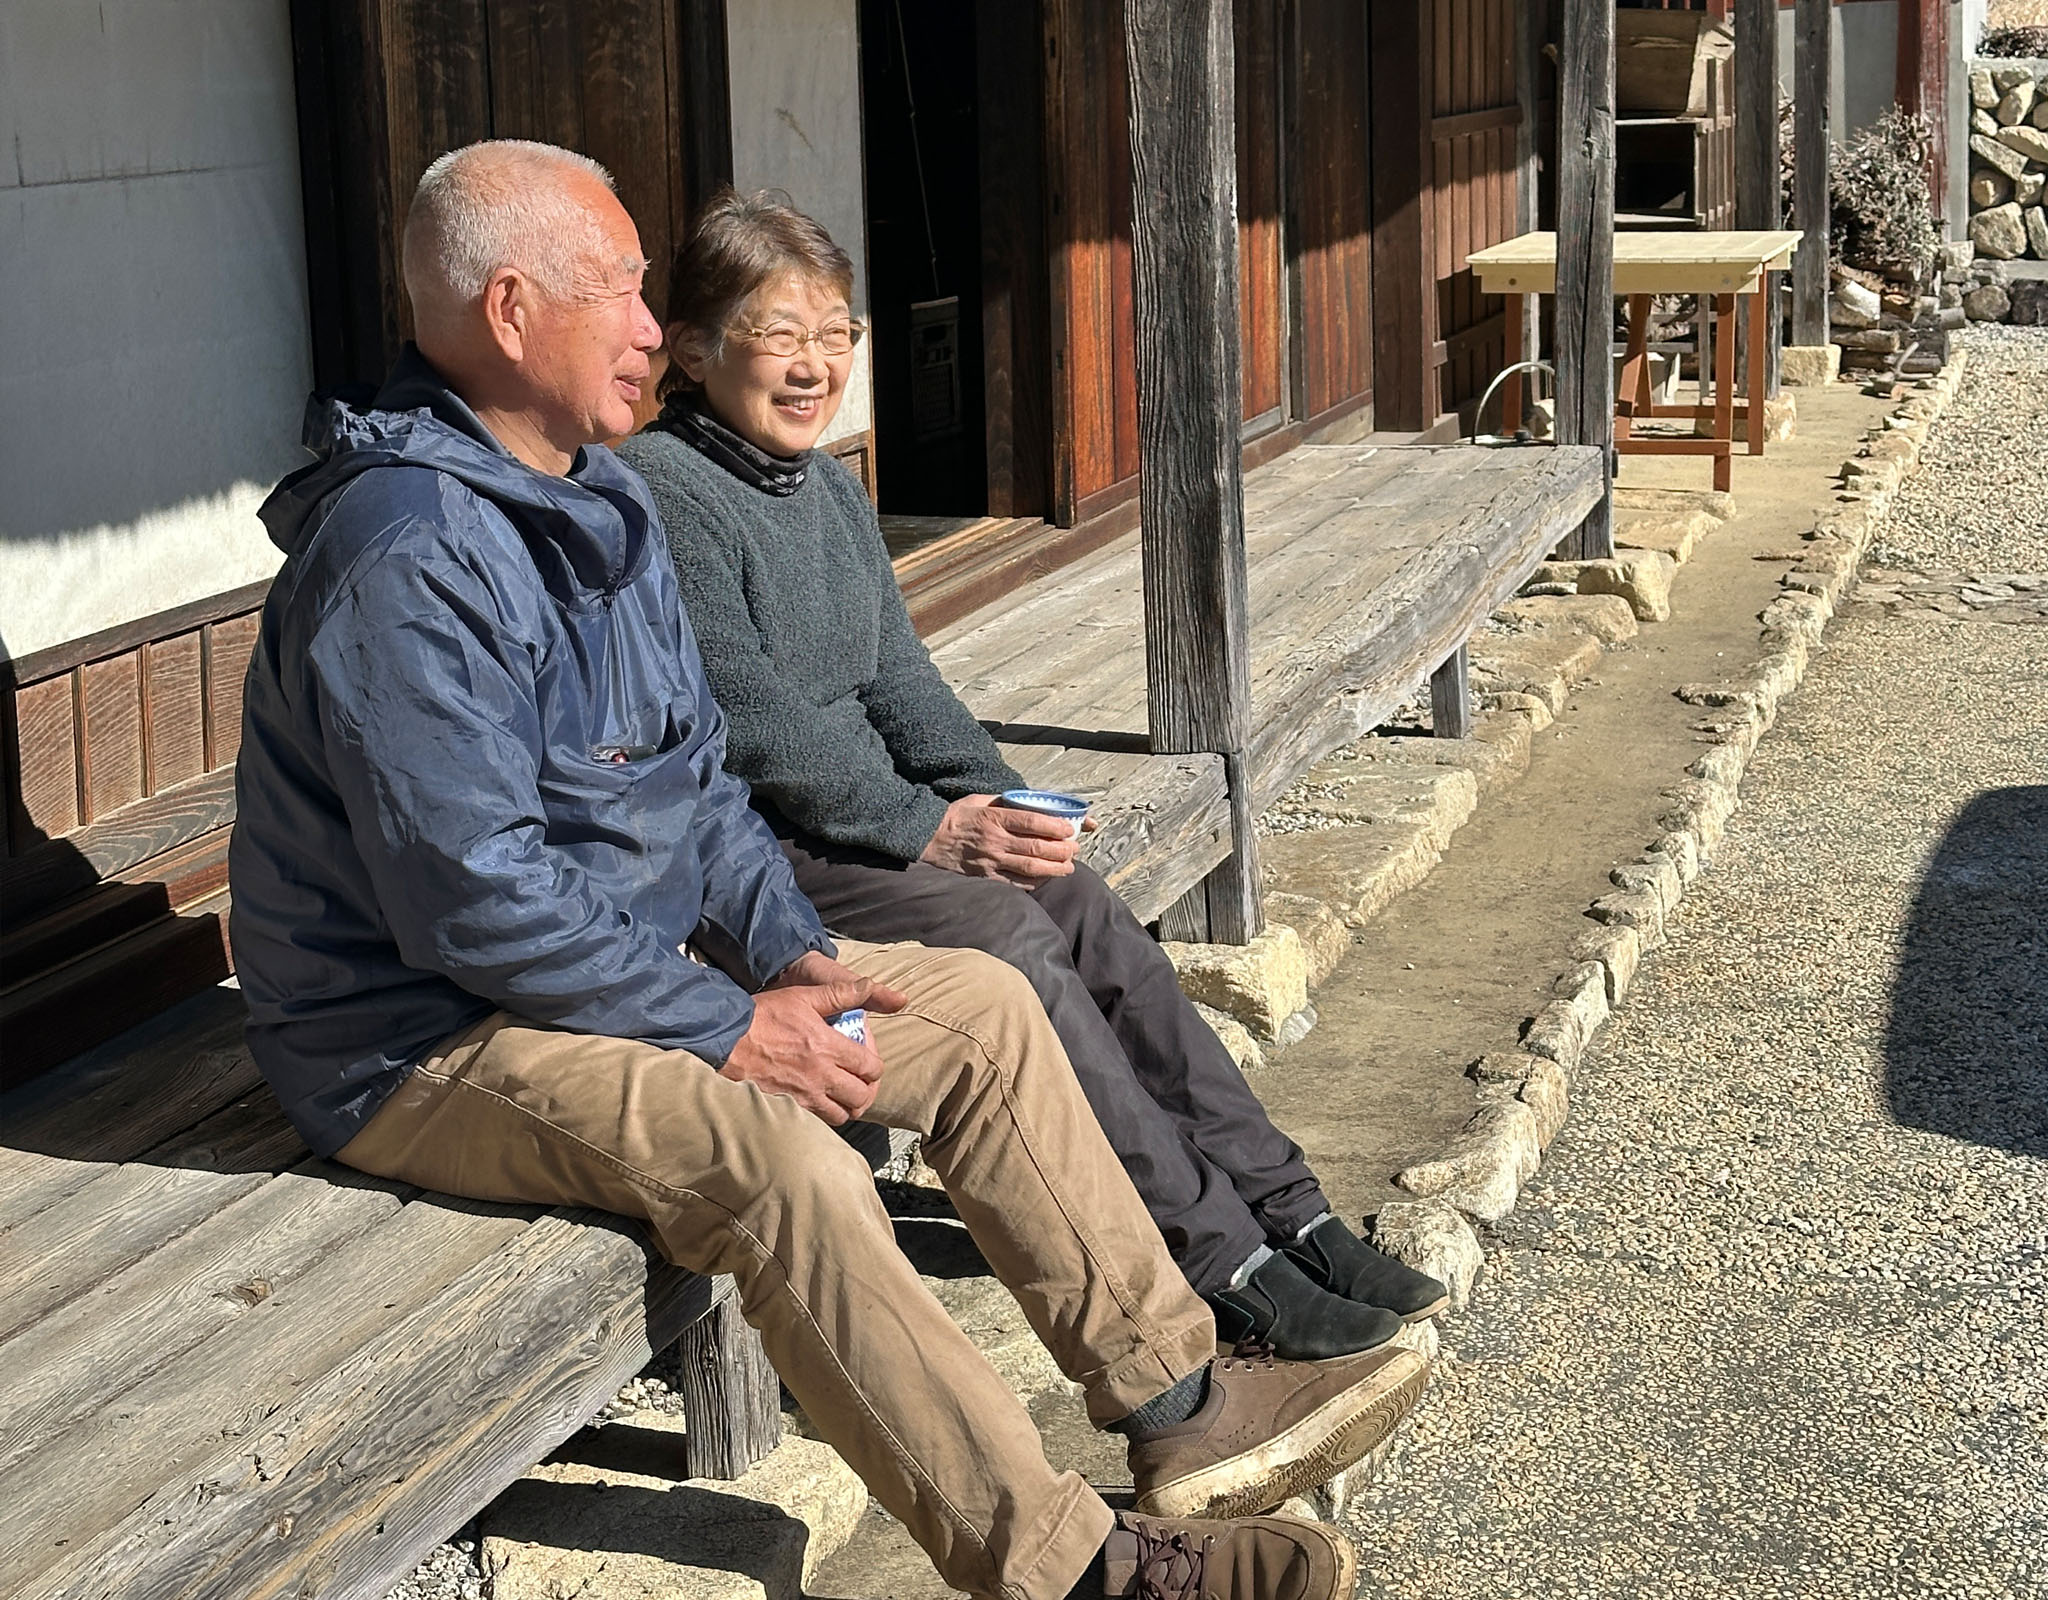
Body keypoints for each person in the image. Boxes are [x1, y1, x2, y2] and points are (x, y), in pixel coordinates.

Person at [228, 140, 1427, 1600]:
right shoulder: (406, 549)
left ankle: (1179, 1396)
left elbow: (699, 785)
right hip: (424, 1035)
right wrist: (728, 1025)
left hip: (604, 973)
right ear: (511, 309)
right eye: (622, 292)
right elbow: (469, 899)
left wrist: (788, 949)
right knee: (779, 1162)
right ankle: (1073, 1571)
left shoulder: (592, 495)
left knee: (979, 1009)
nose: (654, 328)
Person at [617, 191, 1448, 1361]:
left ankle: (1287, 1208)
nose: (813, 366)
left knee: (1080, 904)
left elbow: (899, 679)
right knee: (1010, 940)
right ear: (695, 351)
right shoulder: (659, 490)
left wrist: (994, 798)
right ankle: (1217, 1260)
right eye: (778, 334)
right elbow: (751, 724)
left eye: (835, 334)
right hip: (760, 850)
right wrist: (924, 826)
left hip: (862, 822)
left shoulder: (829, 487)